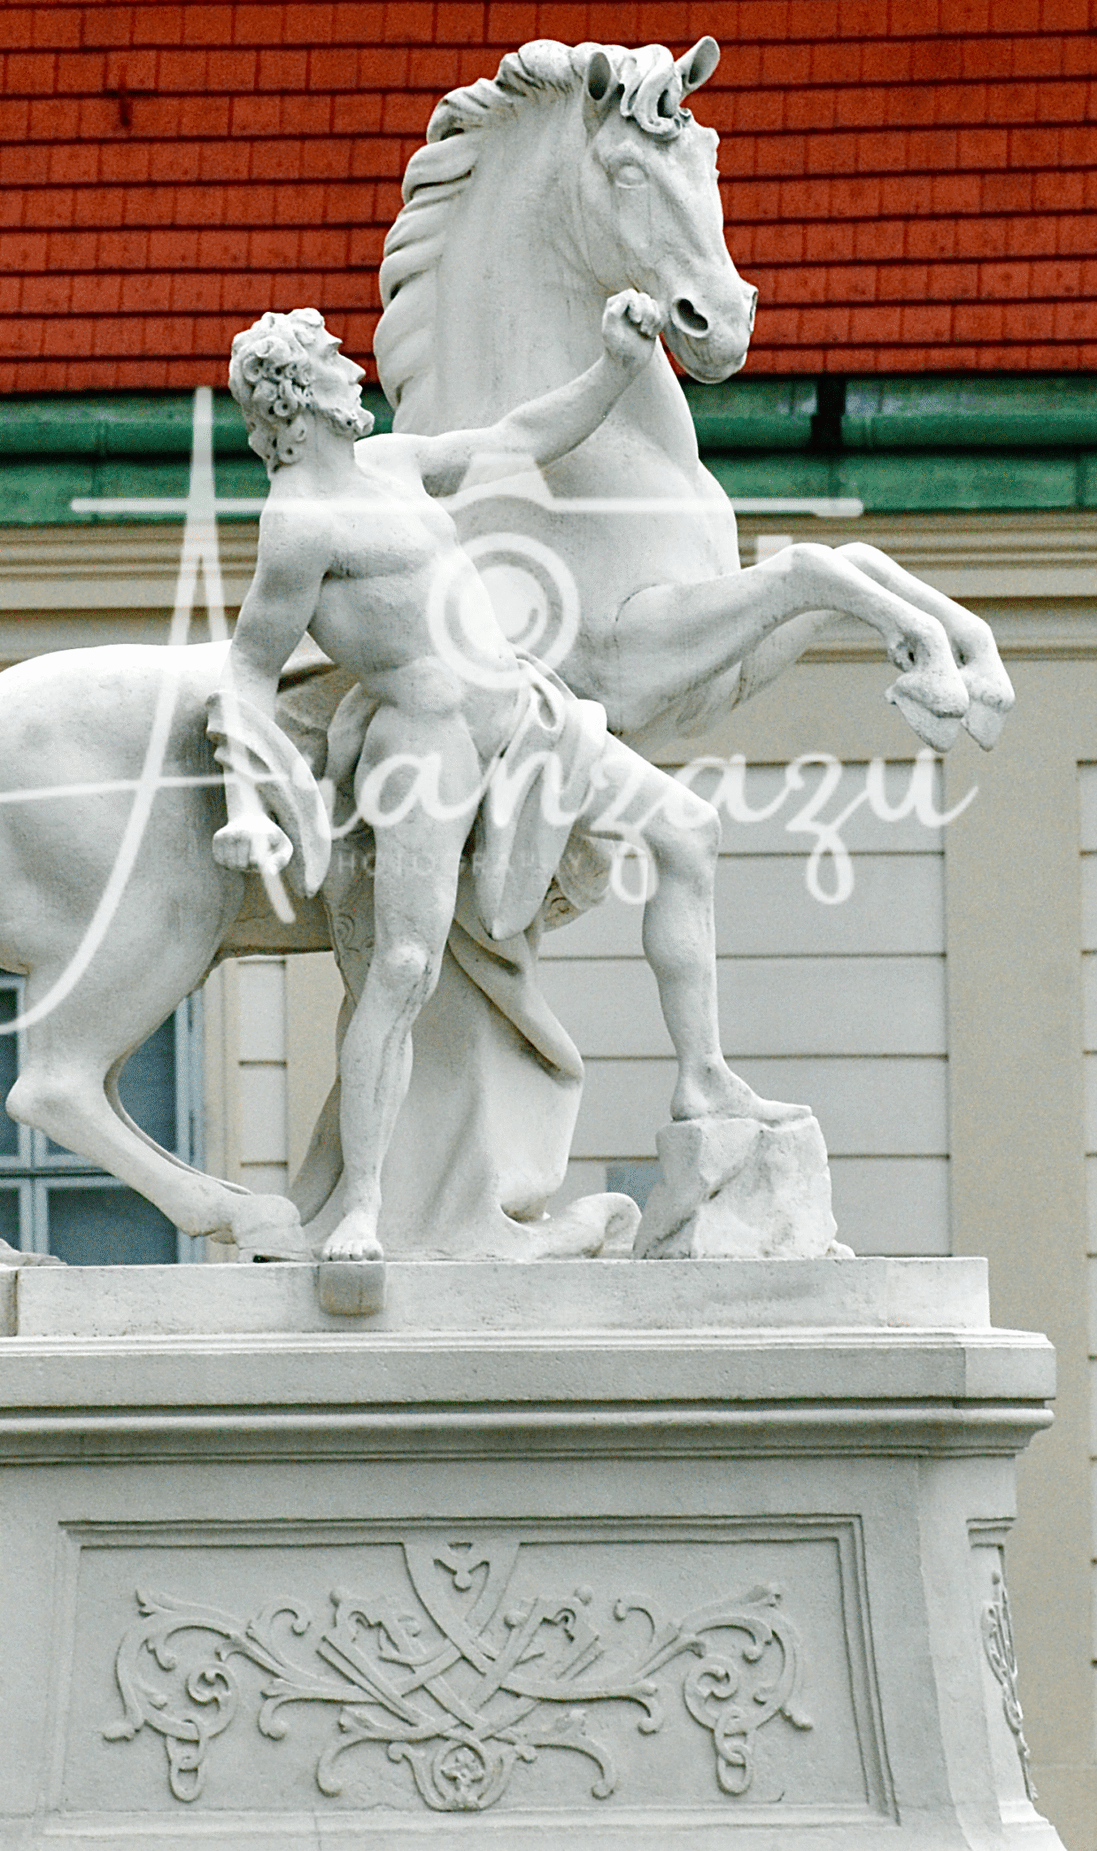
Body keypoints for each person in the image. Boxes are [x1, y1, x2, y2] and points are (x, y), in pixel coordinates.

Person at [216, 293, 803, 1261]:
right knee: (404, 969)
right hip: (425, 743)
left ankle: (704, 1078)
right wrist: (247, 802)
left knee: (686, 831)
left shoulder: (389, 464)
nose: (351, 369)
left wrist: (617, 365)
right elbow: (247, 667)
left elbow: (516, 437)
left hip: (525, 713)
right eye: (330, 363)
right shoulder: (300, 523)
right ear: (294, 398)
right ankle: (363, 1206)